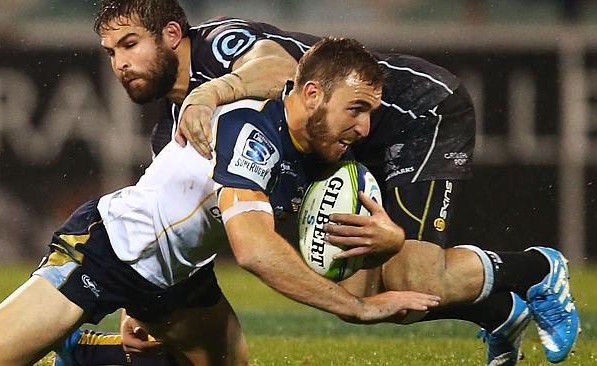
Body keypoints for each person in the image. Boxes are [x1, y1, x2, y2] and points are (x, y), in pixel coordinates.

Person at [86, 1, 576, 365]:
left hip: (414, 115)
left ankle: (535, 269)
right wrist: (142, 307)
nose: (120, 64)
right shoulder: (169, 130)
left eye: (130, 45)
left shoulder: (220, 45)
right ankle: (497, 313)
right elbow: (193, 226)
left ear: (172, 34)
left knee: (413, 279)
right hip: (337, 146)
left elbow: (282, 70)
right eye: (110, 53)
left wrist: (213, 91)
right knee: (353, 291)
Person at [0, 37, 443, 366]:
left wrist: (384, 244)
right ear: (312, 94)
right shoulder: (252, 130)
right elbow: (253, 250)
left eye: (372, 113)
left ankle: (79, 353)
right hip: (110, 249)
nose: (365, 127)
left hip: (181, 275)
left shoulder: (324, 151)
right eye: (356, 109)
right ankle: (38, 344)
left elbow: (335, 263)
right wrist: (356, 309)